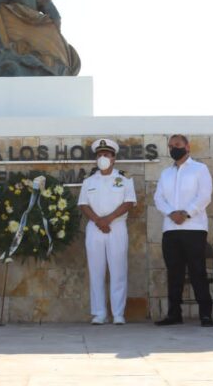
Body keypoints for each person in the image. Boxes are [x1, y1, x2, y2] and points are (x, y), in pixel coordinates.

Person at [153, 134, 213, 327]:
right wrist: (172, 213)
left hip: (194, 229)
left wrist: (186, 213)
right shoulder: (166, 173)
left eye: (177, 145)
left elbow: (204, 196)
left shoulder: (200, 169)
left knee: (198, 272)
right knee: (174, 273)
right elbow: (158, 198)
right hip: (170, 229)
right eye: (170, 146)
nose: (173, 148)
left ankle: (205, 314)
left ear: (187, 147)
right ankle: (174, 314)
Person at [78, 138, 137, 325]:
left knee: (118, 270)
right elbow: (83, 204)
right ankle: (99, 313)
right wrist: (98, 220)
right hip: (95, 228)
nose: (102, 157)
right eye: (99, 155)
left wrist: (108, 219)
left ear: (114, 159)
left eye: (106, 155)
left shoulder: (125, 178)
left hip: (116, 227)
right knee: (96, 271)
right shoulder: (89, 181)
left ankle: (118, 313)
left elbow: (129, 202)